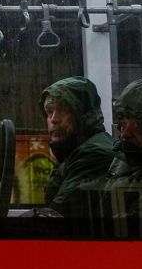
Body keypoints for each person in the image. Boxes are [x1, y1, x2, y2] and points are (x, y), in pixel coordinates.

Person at [38, 76, 116, 216]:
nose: (53, 119)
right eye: (49, 112)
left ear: (83, 115)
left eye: (63, 110)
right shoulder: (73, 152)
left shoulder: (94, 154)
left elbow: (58, 215)